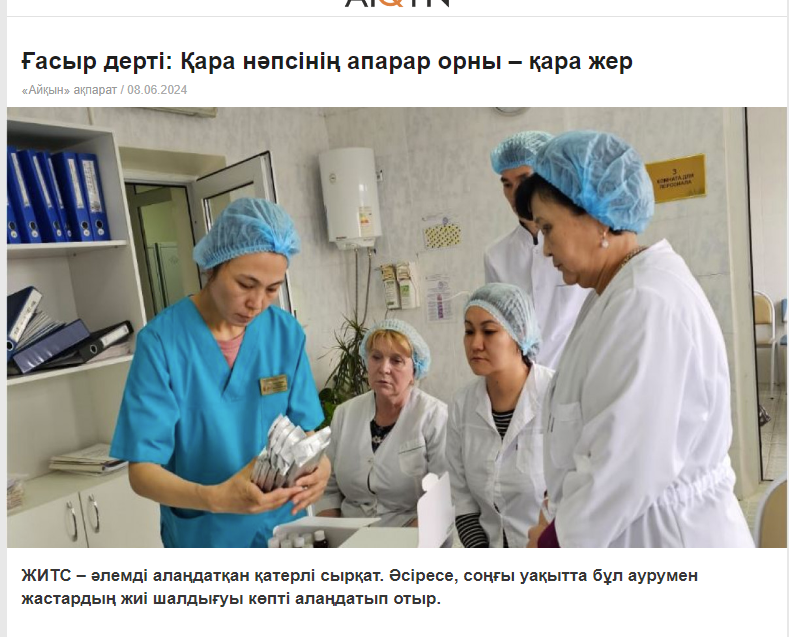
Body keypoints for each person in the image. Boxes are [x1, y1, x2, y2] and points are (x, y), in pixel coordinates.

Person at [516, 131, 754, 548]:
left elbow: (624, 466)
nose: (545, 249)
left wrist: (552, 543)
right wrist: (553, 508)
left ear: (598, 218)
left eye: (548, 228)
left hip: (670, 538)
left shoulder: (645, 302)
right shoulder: (613, 293)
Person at [110, 198, 330, 548]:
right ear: (213, 266)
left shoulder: (284, 333)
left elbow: (306, 431)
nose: (257, 303)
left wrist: (322, 468)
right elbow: (142, 473)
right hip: (206, 535)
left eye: (272, 289)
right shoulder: (163, 343)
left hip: (284, 530)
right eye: (245, 284)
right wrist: (216, 498)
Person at [447, 283, 553, 547]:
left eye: (489, 331)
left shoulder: (556, 394)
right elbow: (463, 501)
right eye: (469, 331)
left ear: (520, 335)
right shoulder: (462, 405)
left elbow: (570, 495)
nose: (475, 344)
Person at [316, 320, 447, 527]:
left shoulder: (434, 416)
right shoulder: (345, 414)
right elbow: (328, 489)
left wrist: (405, 542)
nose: (384, 368)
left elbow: (443, 496)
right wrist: (328, 537)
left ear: (415, 370)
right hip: (351, 534)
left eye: (396, 361)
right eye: (376, 357)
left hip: (412, 533)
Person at [486, 131, 588, 369]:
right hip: (524, 380)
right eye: (507, 184)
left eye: (524, 180)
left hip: (577, 372)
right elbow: (497, 326)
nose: (515, 193)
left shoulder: (579, 241)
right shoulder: (495, 256)